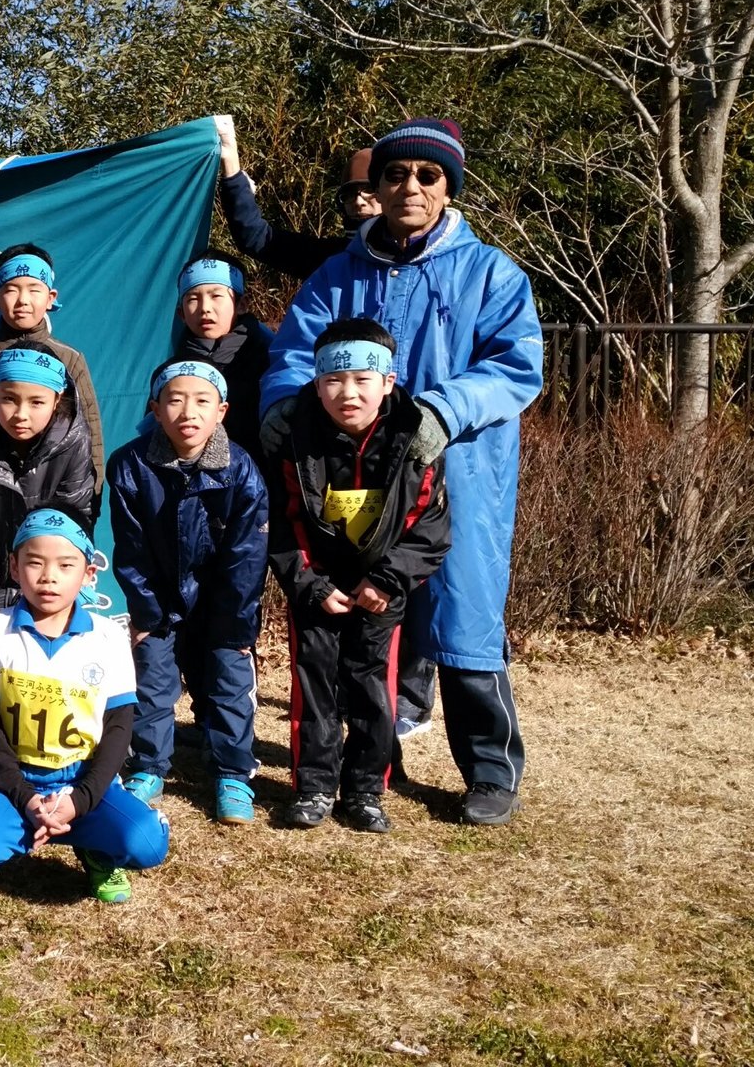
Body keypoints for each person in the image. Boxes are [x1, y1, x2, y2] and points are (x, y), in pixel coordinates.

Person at [256, 118, 543, 827]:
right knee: (360, 620)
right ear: (375, 186)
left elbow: (516, 366)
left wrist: (442, 411)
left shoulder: (490, 273)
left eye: (427, 176)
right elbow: (295, 354)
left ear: (449, 188)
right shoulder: (339, 274)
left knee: (464, 616)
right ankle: (363, 768)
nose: (409, 187)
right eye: (395, 174)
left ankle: (489, 770)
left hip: (458, 472)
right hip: (350, 477)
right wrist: (282, 410)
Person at [271, 320, 451, 833]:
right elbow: (284, 521)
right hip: (317, 585)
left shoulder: (416, 435)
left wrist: (387, 582)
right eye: (333, 380)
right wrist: (311, 585)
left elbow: (429, 524)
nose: (347, 393)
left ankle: (367, 788)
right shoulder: (293, 431)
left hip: (381, 588)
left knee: (373, 686)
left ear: (388, 382)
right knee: (315, 685)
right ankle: (313, 786)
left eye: (361, 380)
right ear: (316, 381)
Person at [0, 509, 169, 904]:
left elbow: (117, 730)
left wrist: (79, 801)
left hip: (84, 777)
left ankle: (95, 848)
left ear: (89, 574)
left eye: (66, 565)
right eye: (34, 562)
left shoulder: (109, 636)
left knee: (147, 843)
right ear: (13, 567)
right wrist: (28, 798)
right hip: (13, 780)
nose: (49, 577)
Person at [105, 361, 269, 824]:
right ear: (155, 409)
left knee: (228, 682)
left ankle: (233, 774)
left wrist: (235, 626)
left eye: (201, 401)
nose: (188, 412)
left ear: (222, 411)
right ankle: (150, 766)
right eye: (175, 400)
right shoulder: (130, 465)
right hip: (158, 597)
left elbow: (246, 555)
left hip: (222, 600)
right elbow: (131, 549)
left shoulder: (241, 469)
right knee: (153, 682)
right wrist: (146, 615)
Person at [0, 342, 100, 619]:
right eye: (8, 399)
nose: (21, 414)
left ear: (57, 398)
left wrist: (49, 595)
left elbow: (71, 518)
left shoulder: (74, 439)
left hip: (49, 583)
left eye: (37, 402)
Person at [0, 245, 103, 486]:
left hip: (54, 489)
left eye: (34, 289)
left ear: (51, 298)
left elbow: (89, 433)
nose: (23, 300)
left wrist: (89, 499)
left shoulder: (70, 358)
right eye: (10, 290)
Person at [212, 116, 352, 280]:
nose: (359, 201)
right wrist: (232, 168)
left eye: (370, 191)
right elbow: (258, 238)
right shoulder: (333, 260)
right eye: (349, 194)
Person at [168, 256, 274, 466]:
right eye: (193, 299)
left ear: (242, 304)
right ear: (181, 314)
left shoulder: (270, 358)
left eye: (216, 295)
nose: (204, 308)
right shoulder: (174, 370)